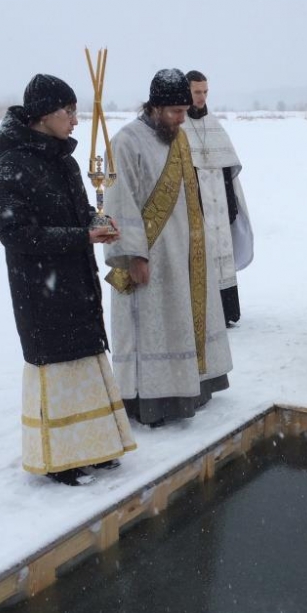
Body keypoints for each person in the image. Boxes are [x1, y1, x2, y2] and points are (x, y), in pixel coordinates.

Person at [0, 73, 136, 485]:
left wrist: (97, 222)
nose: (75, 120)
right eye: (68, 112)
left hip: (76, 284)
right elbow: (14, 233)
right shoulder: (11, 169)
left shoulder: (65, 162)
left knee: (86, 365)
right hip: (41, 290)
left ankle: (96, 447)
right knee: (57, 373)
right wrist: (81, 236)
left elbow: (78, 211)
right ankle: (62, 459)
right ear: (43, 116)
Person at [103, 69, 233, 427]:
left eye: (184, 111)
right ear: (156, 106)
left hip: (186, 251)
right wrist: (133, 256)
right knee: (151, 325)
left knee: (181, 320)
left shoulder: (180, 137)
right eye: (175, 112)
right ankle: (151, 401)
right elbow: (118, 202)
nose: (181, 119)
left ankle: (190, 387)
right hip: (149, 254)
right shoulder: (126, 142)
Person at [182, 70, 254, 327]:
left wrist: (231, 205)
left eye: (205, 92)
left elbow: (228, 169)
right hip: (197, 205)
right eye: (196, 92)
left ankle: (226, 311)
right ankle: (202, 313)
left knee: (222, 254)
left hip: (221, 205)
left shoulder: (214, 124)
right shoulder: (179, 127)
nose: (201, 98)